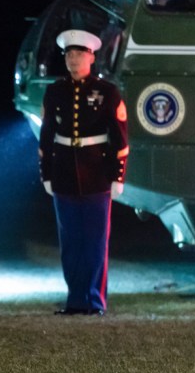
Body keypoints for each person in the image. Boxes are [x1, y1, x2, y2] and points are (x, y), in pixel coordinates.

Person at [39, 29, 129, 317]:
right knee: (70, 242)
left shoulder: (107, 92)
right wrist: (47, 174)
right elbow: (47, 135)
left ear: (92, 57)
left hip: (96, 174)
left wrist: (117, 177)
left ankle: (93, 300)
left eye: (79, 54)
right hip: (64, 172)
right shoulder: (55, 91)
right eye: (69, 55)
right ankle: (75, 299)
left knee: (94, 241)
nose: (73, 60)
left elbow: (120, 139)